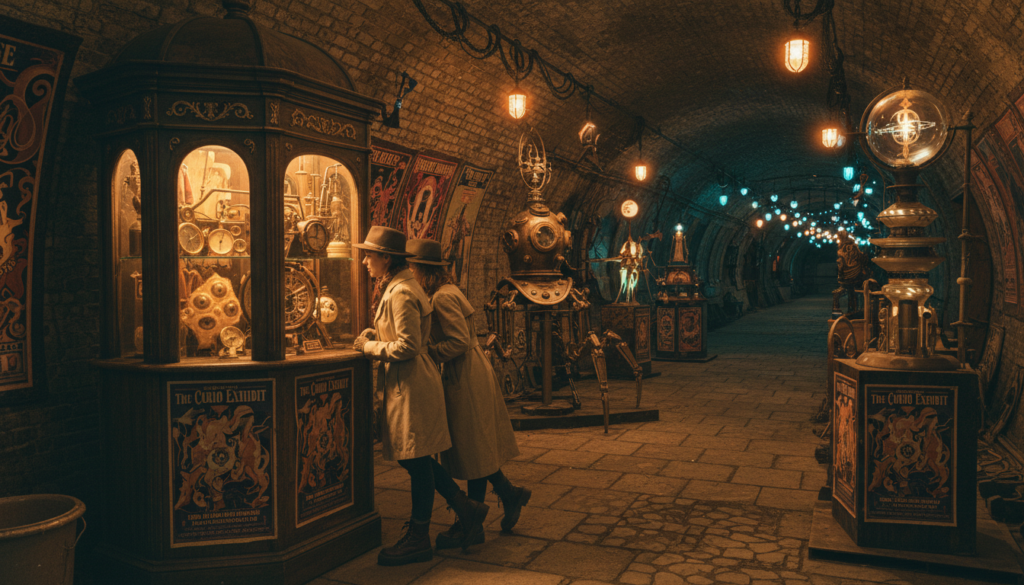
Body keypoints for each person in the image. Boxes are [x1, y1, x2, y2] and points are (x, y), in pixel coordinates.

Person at [353, 227, 488, 566]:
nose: (365, 260)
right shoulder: (401, 287)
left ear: (386, 258)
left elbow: (409, 345)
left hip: (411, 385)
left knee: (416, 460)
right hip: (410, 383)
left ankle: (419, 536)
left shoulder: (400, 292)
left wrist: (369, 346)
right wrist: (378, 332)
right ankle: (465, 509)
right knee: (418, 459)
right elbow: (403, 335)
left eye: (370, 254)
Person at [405, 238, 531, 550]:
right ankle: (507, 494)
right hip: (468, 372)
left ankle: (469, 524)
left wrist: (430, 351)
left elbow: (459, 341)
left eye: (412, 268)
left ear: (424, 270)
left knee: (473, 448)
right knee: (476, 446)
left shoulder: (443, 298)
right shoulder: (445, 292)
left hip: (465, 375)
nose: (411, 273)